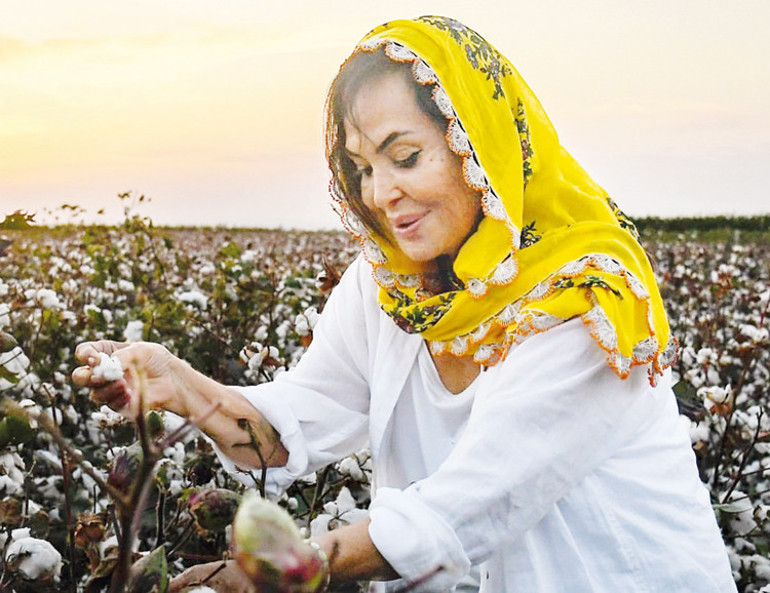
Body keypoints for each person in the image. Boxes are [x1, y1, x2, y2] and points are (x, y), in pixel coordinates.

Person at [73, 16, 737, 593]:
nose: (382, 191)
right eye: (362, 167)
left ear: (481, 147)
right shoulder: (390, 287)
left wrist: (287, 568)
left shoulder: (587, 295)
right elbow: (294, 425)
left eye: (406, 156)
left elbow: (466, 503)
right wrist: (181, 386)